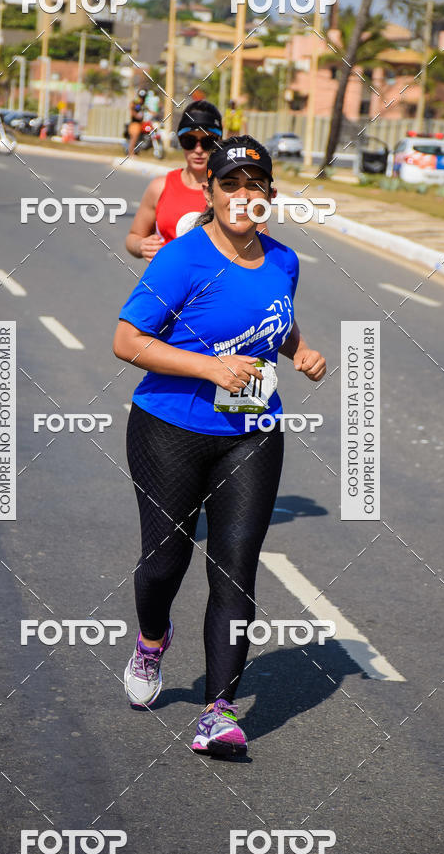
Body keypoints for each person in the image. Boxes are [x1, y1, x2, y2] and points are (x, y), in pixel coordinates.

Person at [114, 135, 326, 757]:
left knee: (235, 568)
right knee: (164, 563)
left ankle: (218, 710)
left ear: (270, 196)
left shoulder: (284, 261)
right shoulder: (181, 260)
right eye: (230, 186)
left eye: (254, 186)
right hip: (169, 428)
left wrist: (300, 350)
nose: (242, 197)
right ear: (209, 193)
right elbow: (128, 341)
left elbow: (273, 321)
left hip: (253, 432)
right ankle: (152, 642)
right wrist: (209, 368)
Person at [126, 100, 223, 261]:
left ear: (219, 142)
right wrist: (142, 245)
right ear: (180, 141)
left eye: (207, 142)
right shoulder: (160, 187)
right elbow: (134, 236)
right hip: (166, 284)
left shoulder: (233, 189)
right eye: (189, 141)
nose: (198, 150)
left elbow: (260, 247)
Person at [127, 88, 147, 157]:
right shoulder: (135, 102)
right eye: (141, 97)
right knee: (134, 138)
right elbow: (131, 110)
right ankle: (131, 153)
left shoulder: (143, 103)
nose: (142, 99)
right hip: (135, 123)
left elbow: (148, 109)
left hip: (140, 123)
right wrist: (136, 115)